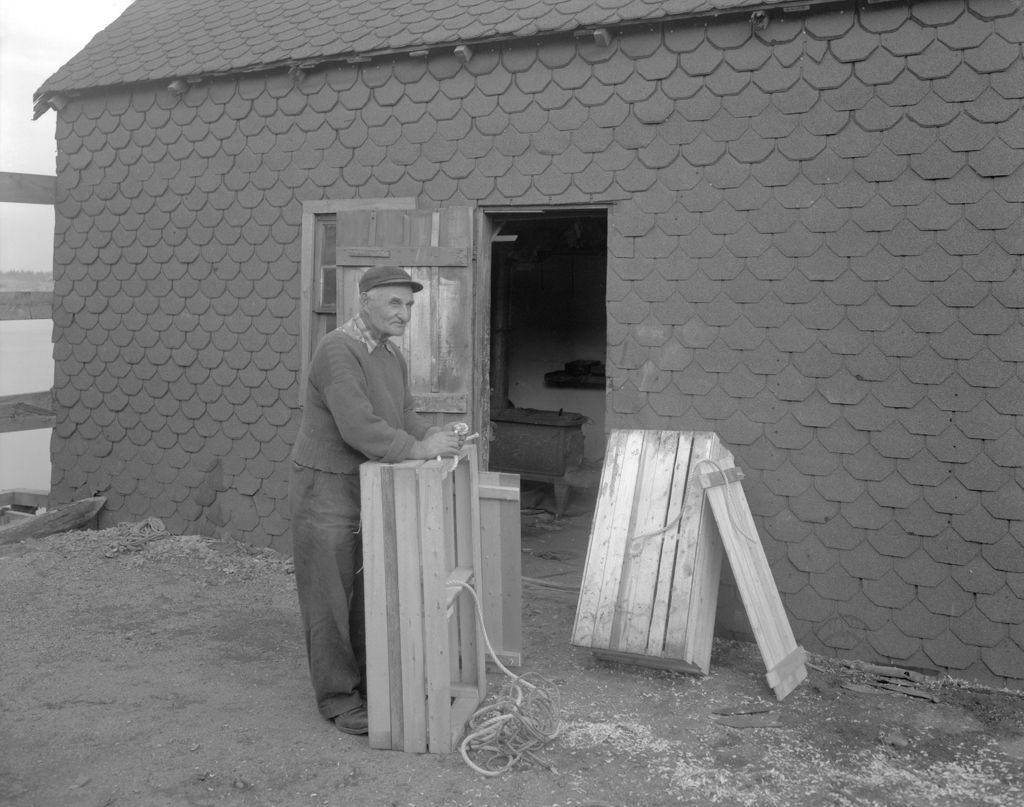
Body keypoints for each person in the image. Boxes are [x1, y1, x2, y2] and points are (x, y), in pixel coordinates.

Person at [288, 265, 463, 735]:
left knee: (368, 591)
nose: (404, 314)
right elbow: (358, 425)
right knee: (329, 596)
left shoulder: (389, 355)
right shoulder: (337, 350)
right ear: (364, 300)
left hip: (367, 483)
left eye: (409, 305)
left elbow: (402, 412)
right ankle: (338, 700)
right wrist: (417, 450)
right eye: (394, 303)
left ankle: (367, 685)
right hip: (325, 485)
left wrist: (434, 435)